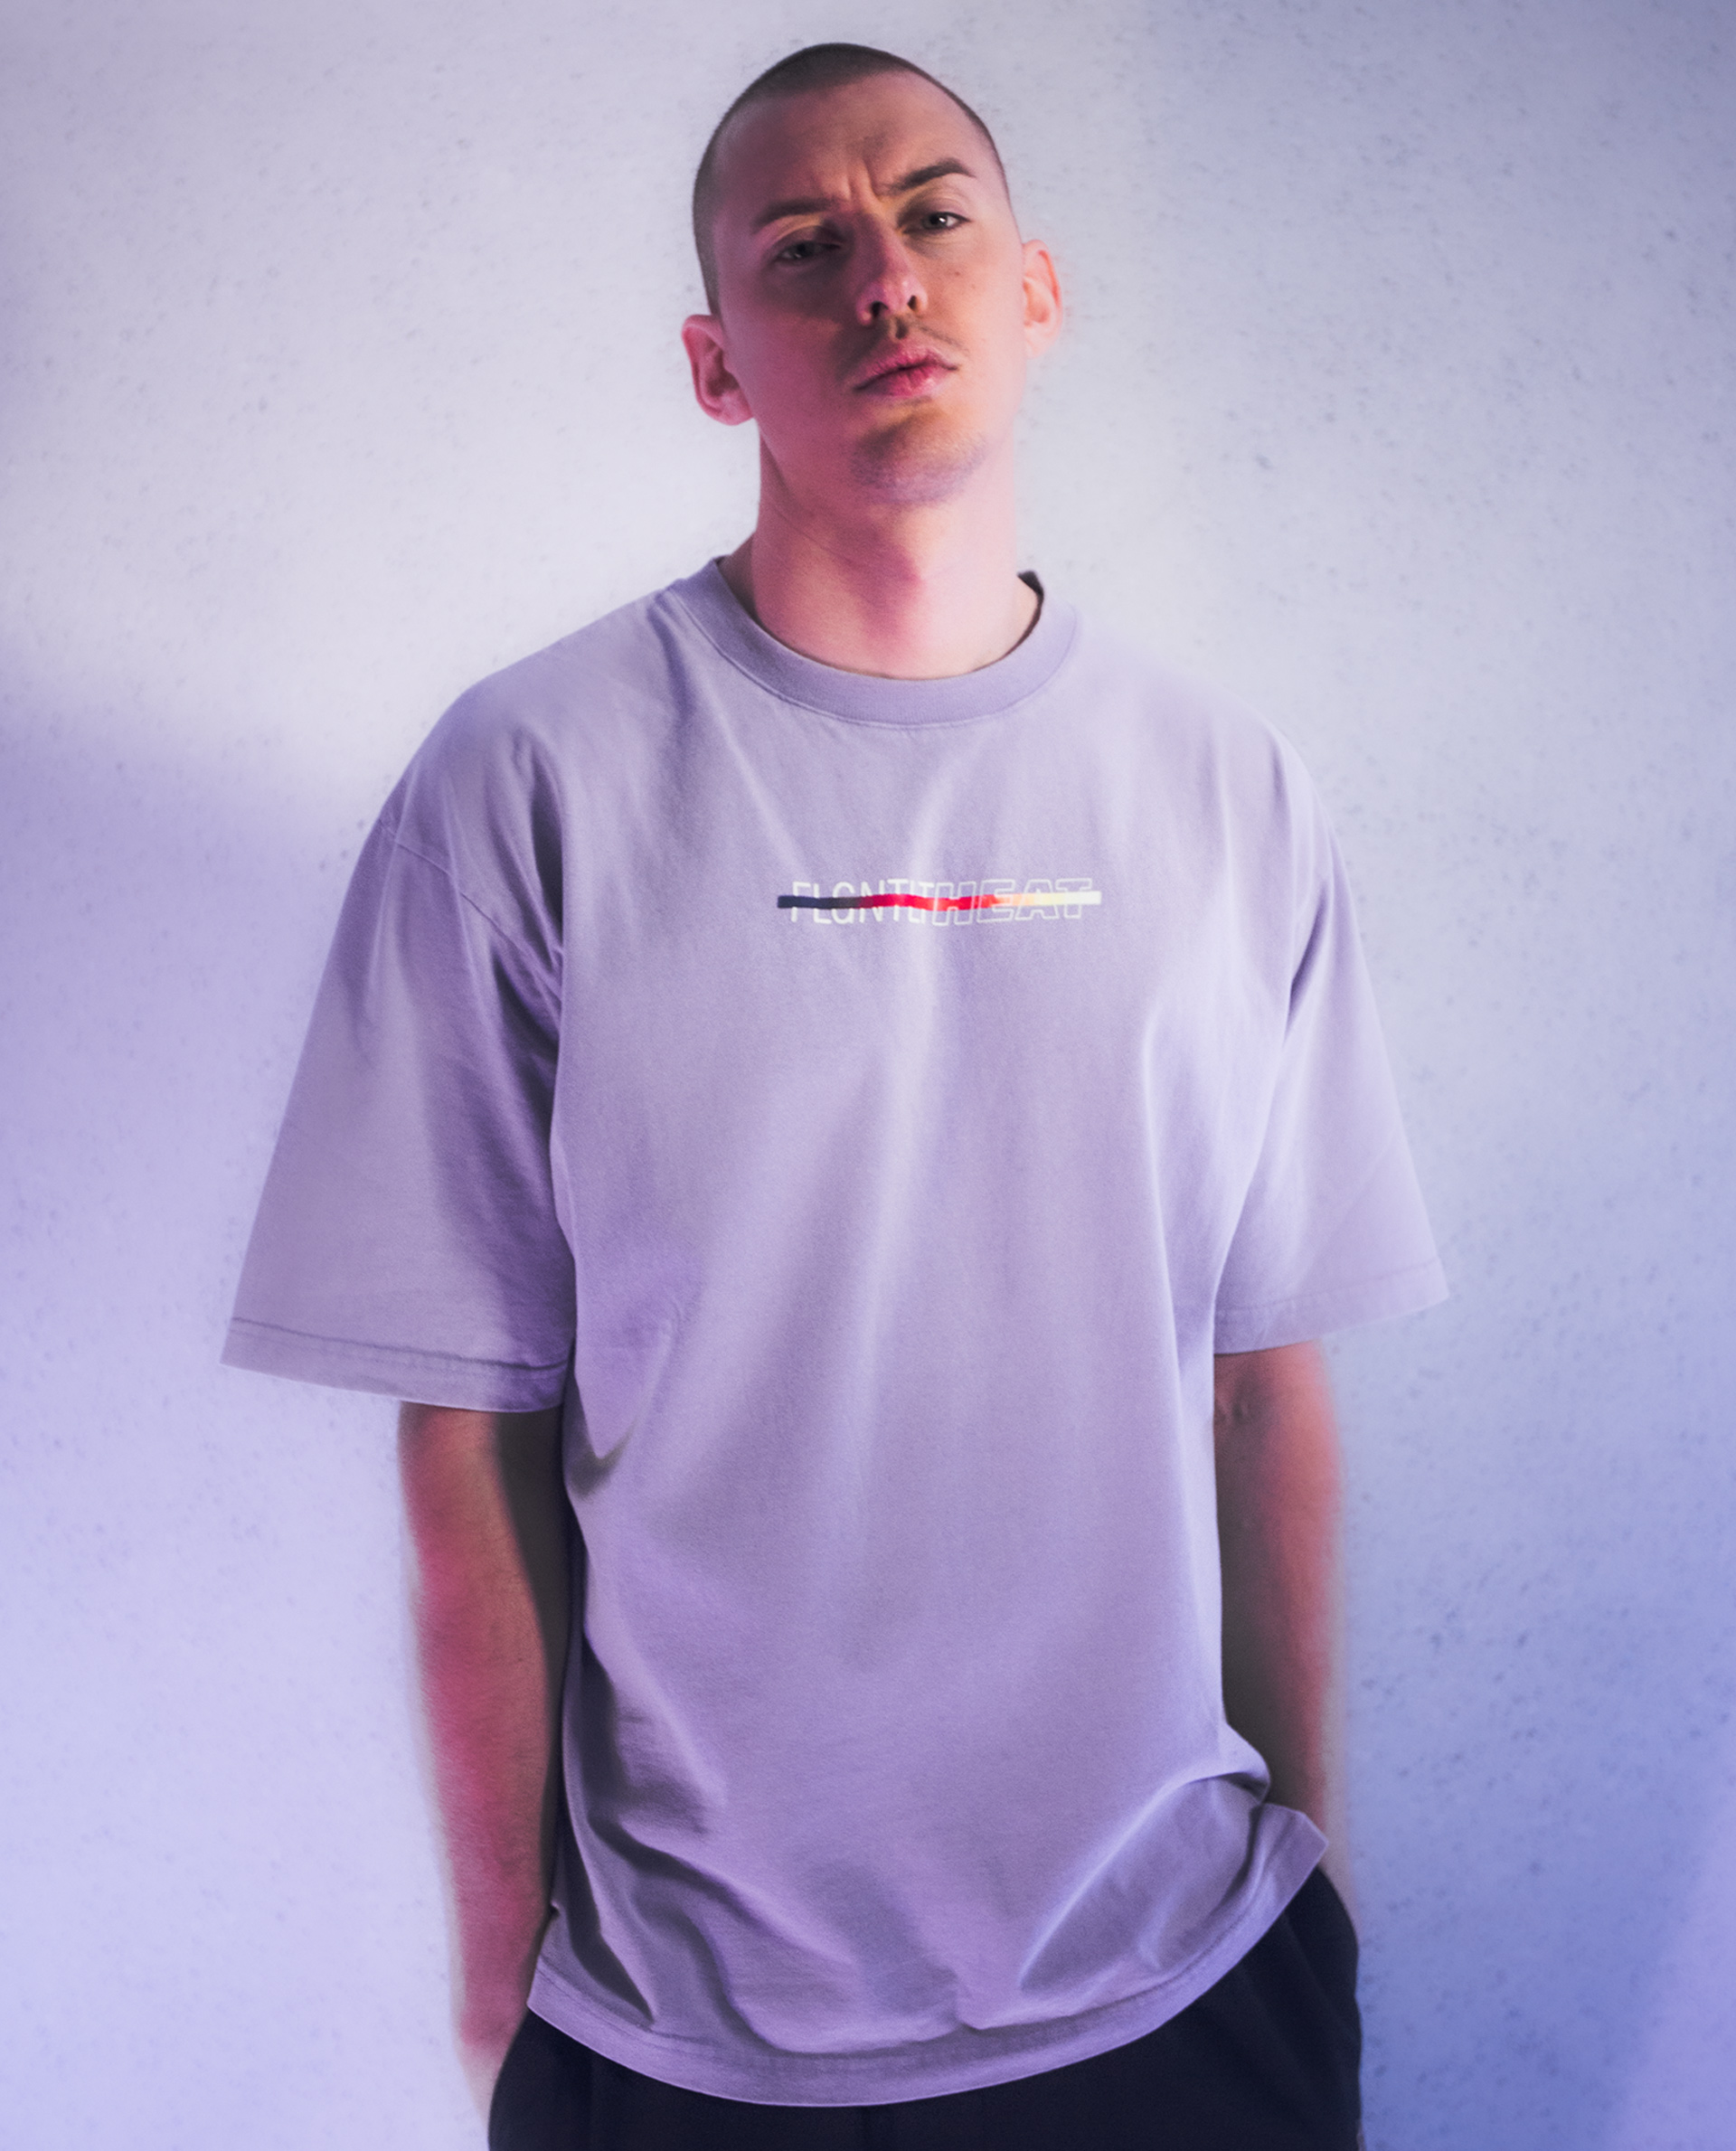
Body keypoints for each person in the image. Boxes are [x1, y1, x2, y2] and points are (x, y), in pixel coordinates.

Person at [223, 42, 1446, 2150]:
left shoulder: (1226, 788)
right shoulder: (530, 782)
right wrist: (503, 1985)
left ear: (1033, 290)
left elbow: (1266, 1386)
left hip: (1183, 1982)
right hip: (687, 2030)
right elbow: (468, 1436)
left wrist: (1315, 1884)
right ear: (718, 364)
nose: (884, 275)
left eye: (934, 215)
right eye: (805, 246)